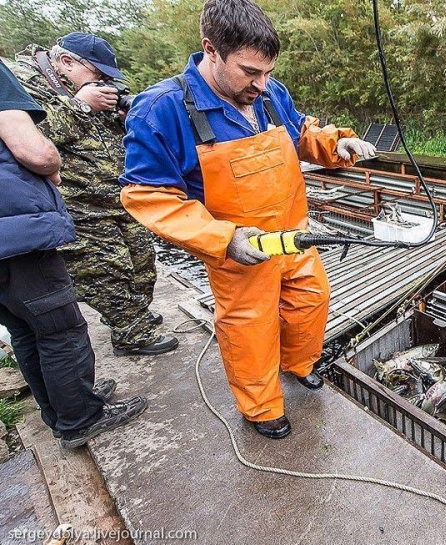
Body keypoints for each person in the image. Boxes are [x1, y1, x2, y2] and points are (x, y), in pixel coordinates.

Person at [119, 0, 376, 439]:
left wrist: (336, 146)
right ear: (211, 50)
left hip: (293, 233)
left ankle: (297, 365)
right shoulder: (161, 109)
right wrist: (225, 239)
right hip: (238, 247)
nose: (262, 84)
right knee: (250, 328)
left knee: (310, 302)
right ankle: (260, 407)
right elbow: (149, 195)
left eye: (268, 72)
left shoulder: (270, 93)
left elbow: (299, 134)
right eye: (249, 72)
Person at [0, 60, 147, 448]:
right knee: (60, 328)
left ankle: (63, 409)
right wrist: (50, 161)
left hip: (6, 238)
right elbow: (38, 153)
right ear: (67, 63)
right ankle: (81, 418)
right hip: (17, 233)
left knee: (25, 329)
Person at [6, 33, 178, 356]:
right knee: (107, 270)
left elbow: (109, 137)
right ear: (67, 62)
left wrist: (124, 118)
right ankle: (131, 333)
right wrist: (81, 104)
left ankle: (134, 314)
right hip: (79, 203)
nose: (102, 82)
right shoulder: (24, 82)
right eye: (97, 74)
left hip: (120, 193)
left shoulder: (90, 87)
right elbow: (33, 137)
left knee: (142, 259)